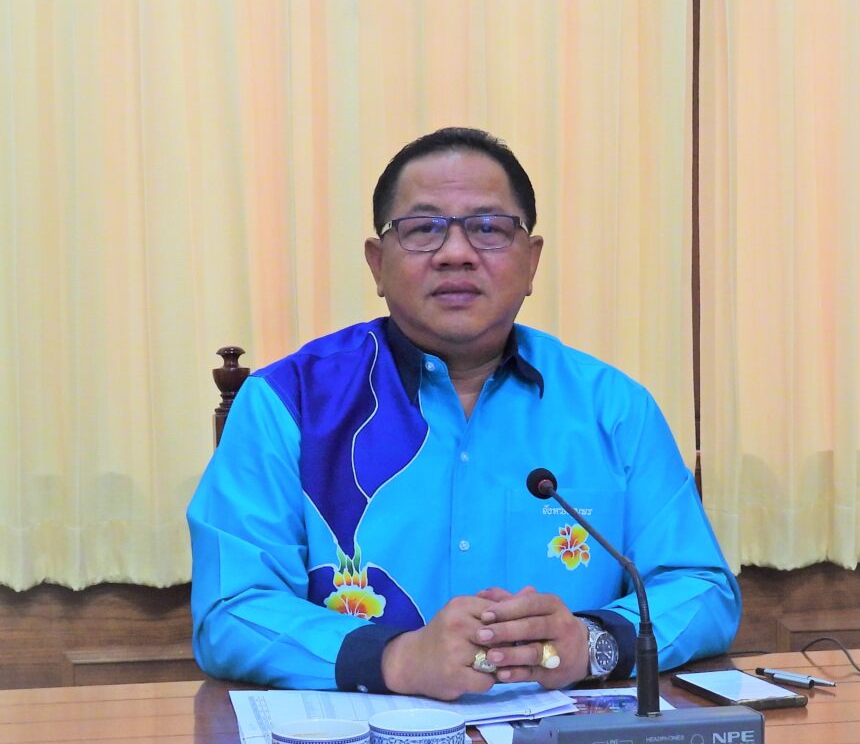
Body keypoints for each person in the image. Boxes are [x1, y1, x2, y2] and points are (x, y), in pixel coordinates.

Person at [188, 127, 741, 699]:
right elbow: (230, 611)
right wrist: (394, 659)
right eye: (423, 229)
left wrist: (593, 642)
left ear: (531, 261)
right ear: (377, 264)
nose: (456, 253)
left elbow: (702, 587)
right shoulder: (288, 403)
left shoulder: (613, 408)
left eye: (489, 228)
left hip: (565, 740)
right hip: (365, 743)